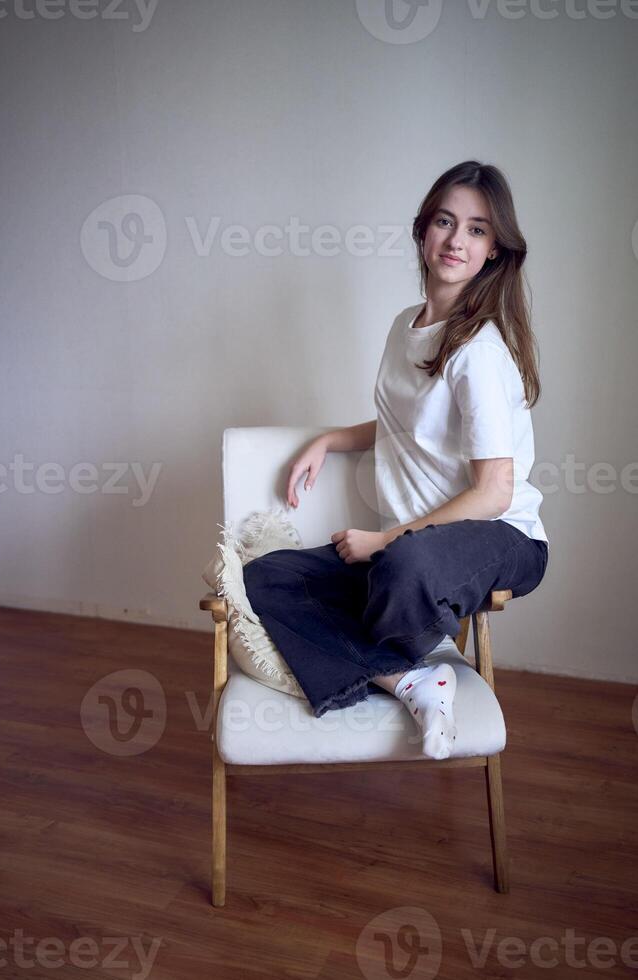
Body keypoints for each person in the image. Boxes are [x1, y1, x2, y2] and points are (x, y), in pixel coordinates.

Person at [242, 160, 549, 760]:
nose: (457, 240)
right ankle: (408, 678)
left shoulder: (480, 349)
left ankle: (373, 650)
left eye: (478, 229)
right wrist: (330, 440)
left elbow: (494, 491)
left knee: (404, 565)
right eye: (445, 221)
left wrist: (383, 542)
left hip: (500, 536)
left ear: (493, 250)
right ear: (423, 232)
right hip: (413, 549)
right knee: (264, 578)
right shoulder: (401, 328)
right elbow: (406, 427)